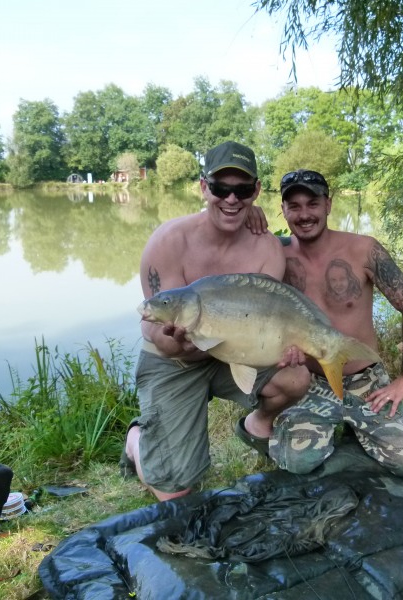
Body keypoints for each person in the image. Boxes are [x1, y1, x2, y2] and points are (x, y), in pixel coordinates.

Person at [121, 142, 310, 501]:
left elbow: (262, 326)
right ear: (204, 187)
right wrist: (178, 341)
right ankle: (136, 442)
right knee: (177, 495)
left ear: (256, 190)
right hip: (175, 360)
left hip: (231, 351)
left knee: (296, 377)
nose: (232, 199)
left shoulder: (267, 248)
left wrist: (285, 348)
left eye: (243, 190)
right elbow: (161, 336)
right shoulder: (168, 242)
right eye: (221, 188)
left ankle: (258, 425)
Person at [270, 169, 403, 476]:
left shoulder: (364, 249)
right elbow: (234, 246)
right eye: (294, 206)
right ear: (283, 210)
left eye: (313, 203)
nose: (304, 214)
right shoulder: (274, 254)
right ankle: (275, 427)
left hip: (365, 379)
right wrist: (250, 215)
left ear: (328, 204)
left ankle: (356, 432)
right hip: (310, 380)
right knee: (295, 462)